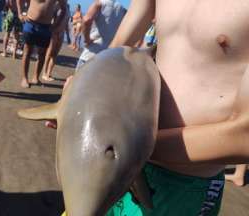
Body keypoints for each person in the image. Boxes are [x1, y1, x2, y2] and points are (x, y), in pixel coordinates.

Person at [50, 0, 249, 215]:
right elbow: (120, 44)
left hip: (184, 185)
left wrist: (127, 150)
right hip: (111, 167)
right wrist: (83, 90)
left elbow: (244, 137)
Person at [17, 0, 67, 88]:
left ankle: (35, 77)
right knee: (27, 51)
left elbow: (63, 9)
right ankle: (24, 78)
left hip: (46, 27)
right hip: (31, 22)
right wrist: (20, 13)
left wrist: (56, 25)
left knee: (42, 54)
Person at [76, 0, 126, 69]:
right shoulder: (123, 10)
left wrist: (87, 39)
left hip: (92, 52)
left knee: (80, 78)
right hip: (108, 56)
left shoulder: (99, 4)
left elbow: (86, 20)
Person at [42, 2, 70, 82]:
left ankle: (49, 73)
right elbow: (49, 17)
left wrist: (68, 36)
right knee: (49, 53)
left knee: (55, 54)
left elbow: (67, 23)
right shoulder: (56, 5)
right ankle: (44, 73)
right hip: (54, 32)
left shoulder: (67, 7)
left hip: (61, 34)